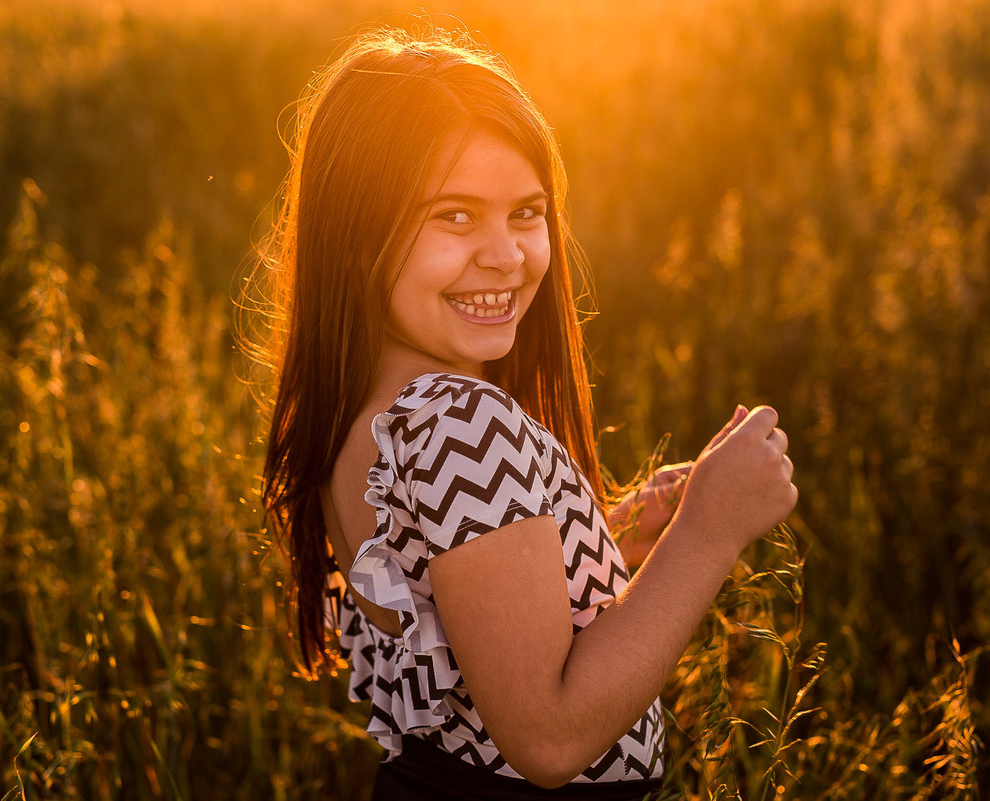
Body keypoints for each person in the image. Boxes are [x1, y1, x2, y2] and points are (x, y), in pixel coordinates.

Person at [249, 25, 797, 800]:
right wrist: (709, 527)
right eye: (456, 216)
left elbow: (465, 611)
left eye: (527, 212)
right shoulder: (458, 420)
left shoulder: (371, 414)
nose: (506, 255)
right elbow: (549, 733)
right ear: (354, 238)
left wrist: (598, 541)